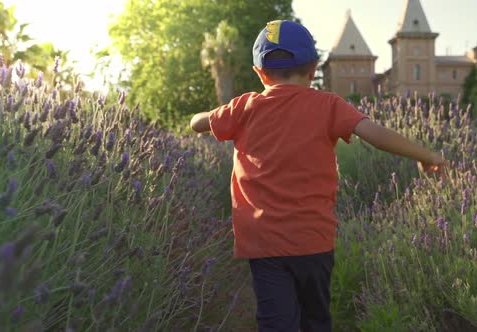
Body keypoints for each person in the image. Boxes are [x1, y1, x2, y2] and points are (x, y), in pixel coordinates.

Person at [189, 20, 446, 332]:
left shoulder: (243, 107)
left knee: (276, 322)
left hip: (263, 242)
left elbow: (197, 124)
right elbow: (375, 134)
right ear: (312, 70)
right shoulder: (328, 105)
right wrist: (427, 155)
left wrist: (203, 116)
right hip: (314, 240)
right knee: (315, 319)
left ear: (259, 72)